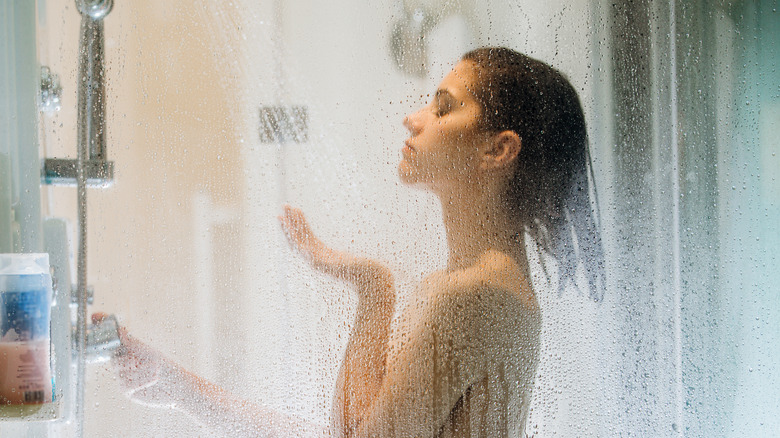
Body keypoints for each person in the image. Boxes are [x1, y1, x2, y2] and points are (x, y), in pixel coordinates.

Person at [101, 46, 602, 437]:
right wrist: (181, 390)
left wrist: (374, 288)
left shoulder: (474, 296)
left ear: (497, 149)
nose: (414, 118)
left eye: (443, 108)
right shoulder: (487, 286)